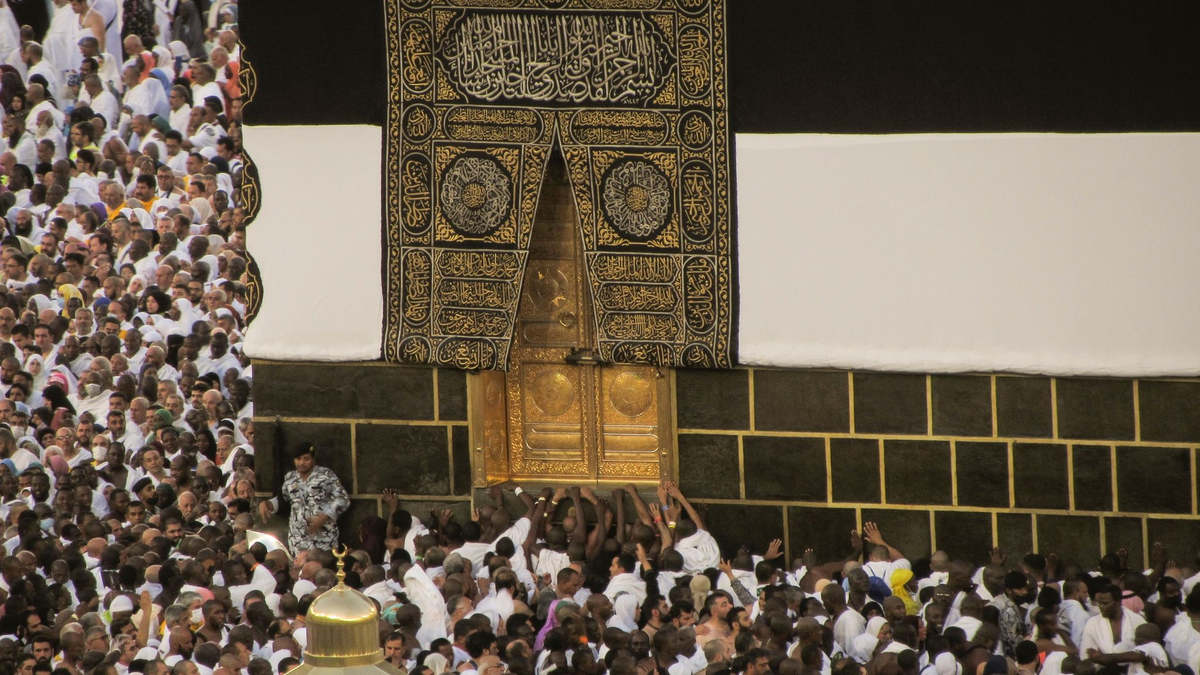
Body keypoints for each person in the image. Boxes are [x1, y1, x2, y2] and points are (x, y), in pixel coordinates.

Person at [259, 441, 349, 553]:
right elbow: (283, 500)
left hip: (323, 539)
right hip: (298, 540)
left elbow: (343, 499)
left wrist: (325, 516)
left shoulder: (325, 475)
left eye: (306, 459)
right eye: (298, 459)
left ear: (313, 459)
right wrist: (267, 504)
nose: (302, 462)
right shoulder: (290, 478)